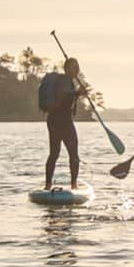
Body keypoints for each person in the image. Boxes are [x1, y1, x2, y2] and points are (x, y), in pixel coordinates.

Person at [43, 58, 87, 190]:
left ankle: (51, 184)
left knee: (58, 154)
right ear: (67, 69)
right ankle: (71, 185)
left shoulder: (69, 82)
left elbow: (67, 98)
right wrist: (78, 93)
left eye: (78, 67)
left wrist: (78, 94)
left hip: (56, 120)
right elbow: (63, 95)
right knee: (69, 155)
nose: (77, 70)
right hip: (61, 121)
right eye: (74, 67)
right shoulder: (64, 81)